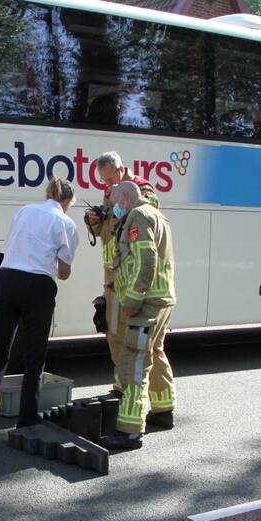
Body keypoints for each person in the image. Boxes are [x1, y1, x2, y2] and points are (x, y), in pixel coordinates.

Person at [0, 177, 80, 435]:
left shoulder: (24, 211)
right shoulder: (66, 223)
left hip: (7, 279)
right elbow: (64, 273)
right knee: (35, 355)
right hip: (37, 287)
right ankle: (27, 420)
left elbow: (11, 245)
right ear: (68, 201)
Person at [102, 181, 177, 451]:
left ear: (125, 198)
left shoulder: (138, 215)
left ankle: (130, 431)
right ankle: (163, 409)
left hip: (145, 303)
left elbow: (146, 259)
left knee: (134, 361)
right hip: (162, 299)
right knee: (155, 352)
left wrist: (132, 298)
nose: (113, 209)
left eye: (114, 203)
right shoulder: (158, 215)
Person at [84, 152, 158, 397]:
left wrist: (114, 213)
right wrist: (93, 219)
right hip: (113, 278)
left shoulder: (141, 189)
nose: (107, 185)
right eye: (103, 181)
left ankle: (151, 399)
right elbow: (107, 228)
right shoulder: (111, 192)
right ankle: (121, 385)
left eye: (109, 179)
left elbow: (144, 218)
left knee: (140, 344)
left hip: (130, 277)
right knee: (113, 334)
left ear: (122, 169)